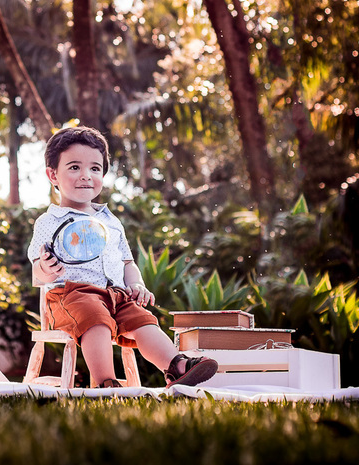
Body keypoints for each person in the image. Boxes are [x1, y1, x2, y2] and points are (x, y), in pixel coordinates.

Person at [27, 125, 217, 389]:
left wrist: (136, 284)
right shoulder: (50, 221)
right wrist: (46, 268)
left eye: (95, 168)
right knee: (94, 316)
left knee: (143, 320)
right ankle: (105, 381)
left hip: (116, 295)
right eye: (74, 167)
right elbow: (37, 270)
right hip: (71, 296)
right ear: (53, 175)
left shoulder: (110, 221)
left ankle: (177, 366)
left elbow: (127, 262)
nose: (86, 176)